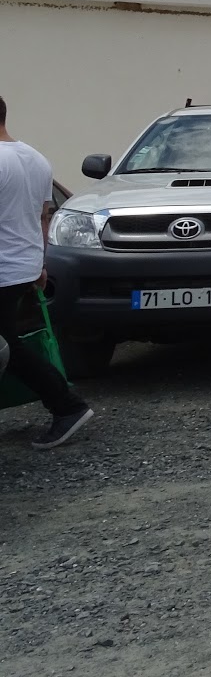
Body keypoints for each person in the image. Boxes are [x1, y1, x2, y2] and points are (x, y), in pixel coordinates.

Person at [0, 95, 95, 449]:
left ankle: (67, 406)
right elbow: (44, 215)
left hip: (3, 268)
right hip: (22, 264)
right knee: (7, 344)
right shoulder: (35, 158)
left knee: (8, 348)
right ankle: (66, 405)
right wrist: (40, 263)